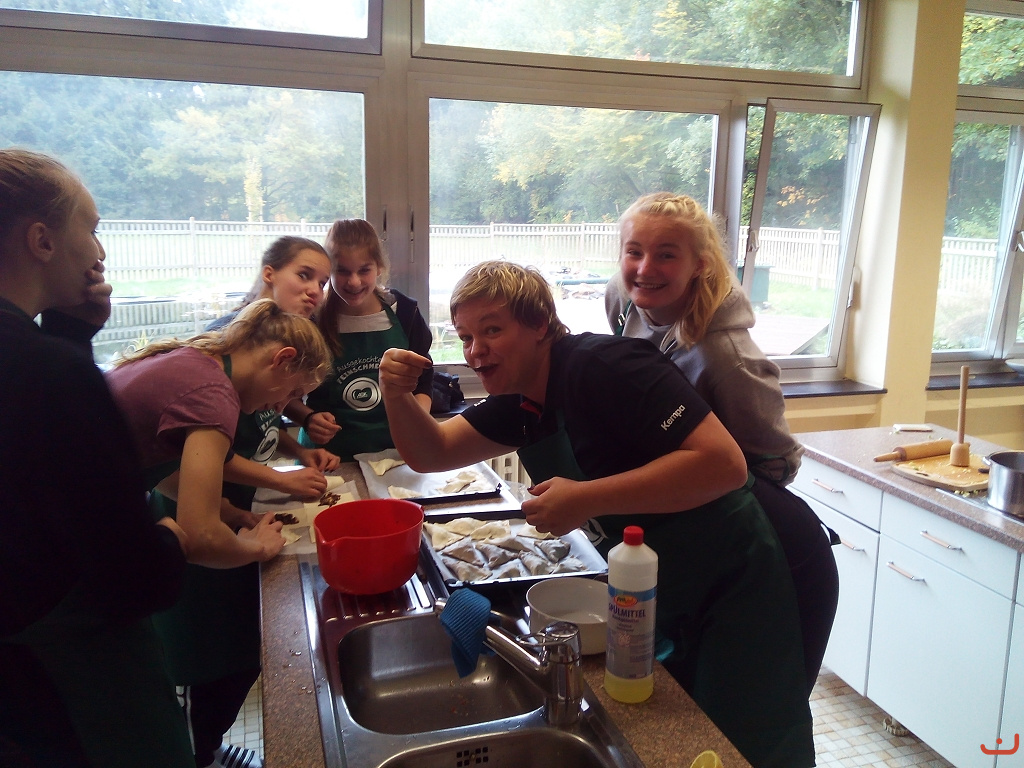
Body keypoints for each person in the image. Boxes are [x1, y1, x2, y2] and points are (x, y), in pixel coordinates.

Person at [379, 260, 814, 768]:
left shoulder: (607, 366)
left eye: (492, 330)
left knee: (748, 740)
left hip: (750, 572)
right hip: (670, 581)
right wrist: (396, 395)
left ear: (540, 323)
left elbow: (723, 464)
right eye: (466, 337)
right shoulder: (522, 400)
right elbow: (429, 451)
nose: (476, 351)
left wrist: (586, 498)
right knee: (685, 738)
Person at [0, 148, 193, 767]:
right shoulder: (47, 371)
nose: (100, 252)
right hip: (69, 682)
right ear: (41, 240)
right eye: (92, 228)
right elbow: (132, 576)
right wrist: (171, 541)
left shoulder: (38, 356)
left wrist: (70, 333)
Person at [605, 191, 839, 695]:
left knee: (753, 701)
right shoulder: (623, 304)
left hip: (763, 551)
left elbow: (778, 461)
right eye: (634, 251)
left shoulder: (725, 357)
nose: (645, 268)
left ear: (700, 265)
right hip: (682, 536)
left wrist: (706, 491)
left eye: (667, 254)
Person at [147, 237, 338, 768]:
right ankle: (196, 753)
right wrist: (263, 514)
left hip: (222, 514)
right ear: (270, 272)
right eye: (305, 274)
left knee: (239, 650)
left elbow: (260, 417)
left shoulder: (249, 358)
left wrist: (293, 453)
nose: (315, 290)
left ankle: (206, 746)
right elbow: (200, 470)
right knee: (198, 657)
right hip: (179, 527)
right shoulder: (215, 375)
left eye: (322, 282)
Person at [295, 218, 433, 459]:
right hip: (326, 457)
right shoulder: (311, 319)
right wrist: (308, 418)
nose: (354, 281)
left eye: (364, 270)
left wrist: (417, 425)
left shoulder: (405, 312)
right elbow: (282, 394)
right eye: (342, 271)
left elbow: (424, 381)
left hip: (395, 454)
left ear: (379, 268)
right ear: (329, 272)